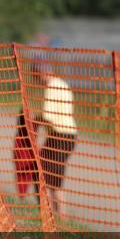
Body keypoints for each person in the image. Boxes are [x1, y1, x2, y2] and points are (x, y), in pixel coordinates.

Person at [34, 64, 78, 218]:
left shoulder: (52, 87)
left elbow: (48, 116)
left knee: (51, 178)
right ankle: (53, 214)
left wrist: (36, 121)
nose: (38, 81)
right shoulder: (63, 84)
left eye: (37, 76)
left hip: (59, 136)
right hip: (69, 134)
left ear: (43, 73)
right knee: (50, 175)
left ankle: (59, 216)